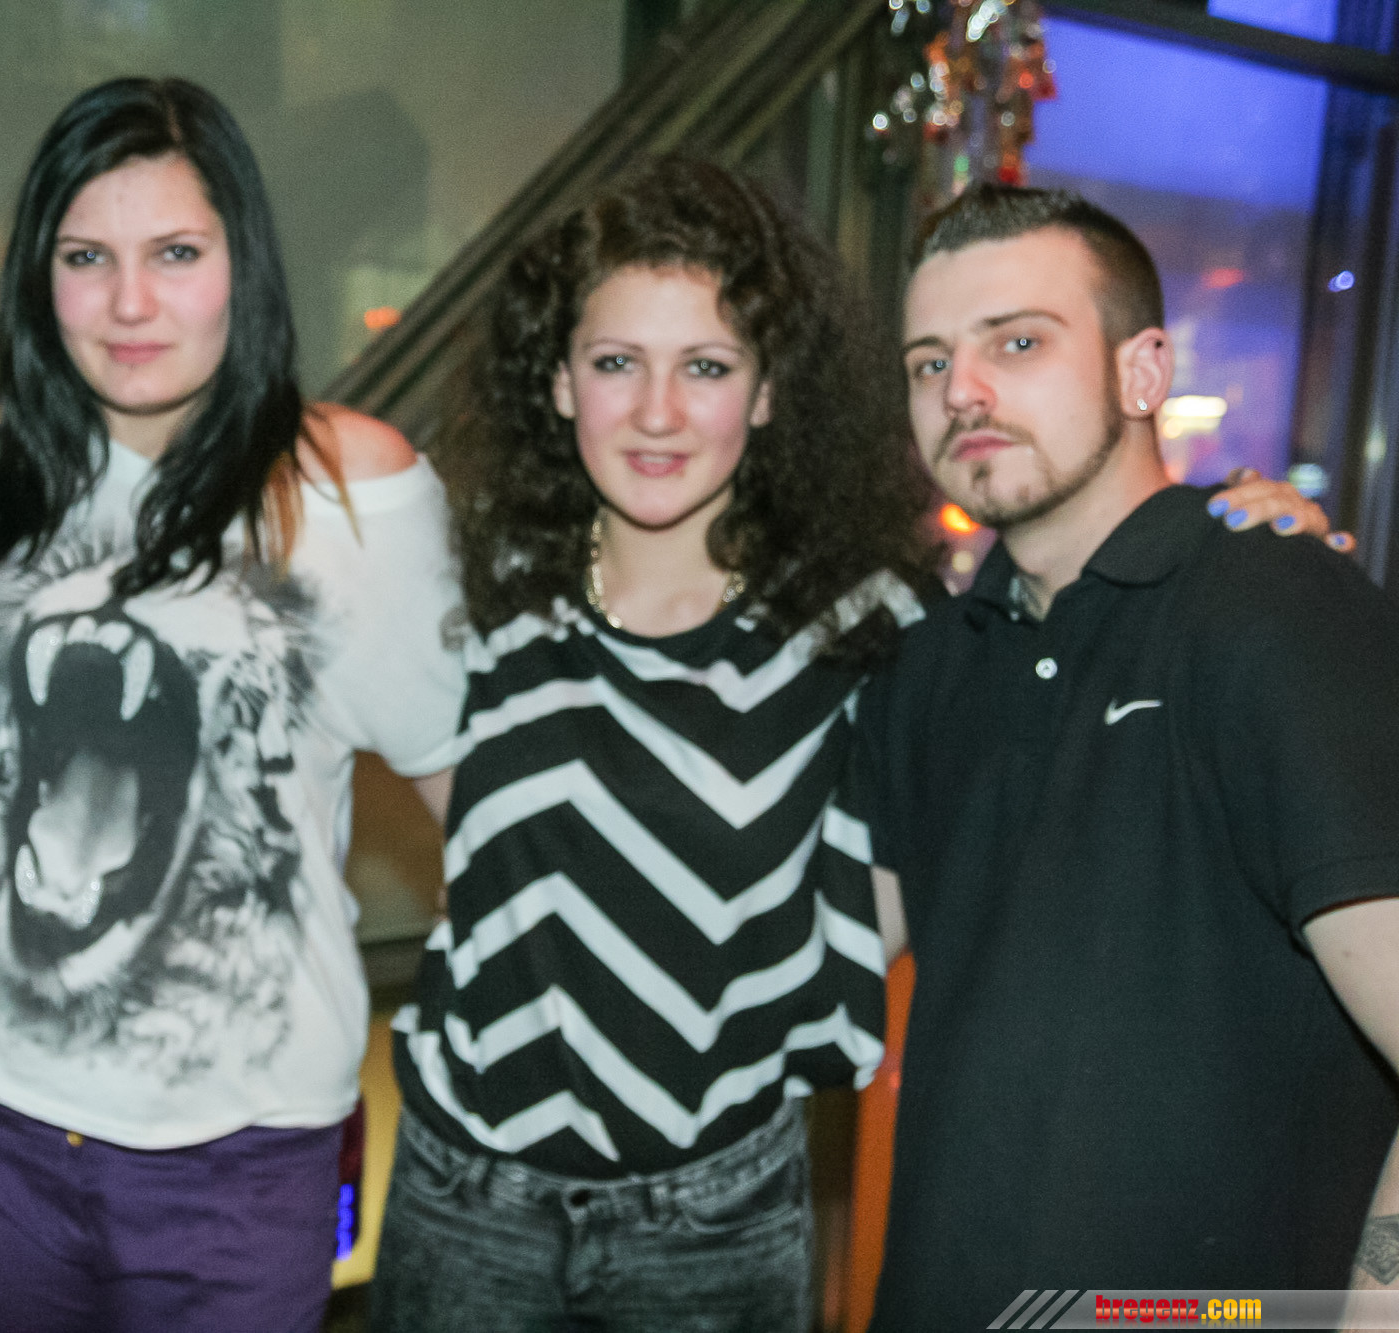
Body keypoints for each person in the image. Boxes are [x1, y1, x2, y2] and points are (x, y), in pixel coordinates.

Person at [365, 159, 1337, 1333]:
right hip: (462, 1199)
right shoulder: (478, 586)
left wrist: (1242, 524)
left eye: (706, 366)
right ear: (560, 382)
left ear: (767, 392)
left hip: (715, 1219)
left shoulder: (870, 624)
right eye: (615, 362)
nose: (657, 411)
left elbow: (1060, 651)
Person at [0, 77, 464, 1333]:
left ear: (240, 269)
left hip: (241, 1167)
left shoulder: (349, 493)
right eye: (85, 257)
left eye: (175, 253)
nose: (129, 302)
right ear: (39, 281)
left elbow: (475, 802)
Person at [860, 183, 1399, 1330]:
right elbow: (810, 967)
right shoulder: (929, 665)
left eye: (1016, 341)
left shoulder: (1274, 612)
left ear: (1141, 371)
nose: (961, 390)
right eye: (926, 361)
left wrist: (1372, 1310)